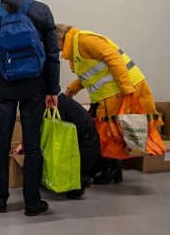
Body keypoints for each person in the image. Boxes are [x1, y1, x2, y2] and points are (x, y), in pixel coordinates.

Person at [0, 0, 60, 216]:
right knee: (32, 145)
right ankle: (32, 203)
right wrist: (52, 89)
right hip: (35, 87)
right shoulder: (41, 10)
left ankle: (0, 199)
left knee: (2, 144)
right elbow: (52, 54)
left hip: (3, 87)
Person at [56, 23, 160, 182]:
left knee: (112, 131)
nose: (56, 50)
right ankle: (107, 167)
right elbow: (94, 72)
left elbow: (113, 58)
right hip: (108, 92)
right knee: (105, 130)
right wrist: (74, 87)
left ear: (59, 39)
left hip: (120, 89)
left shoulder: (84, 40)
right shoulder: (75, 47)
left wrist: (126, 87)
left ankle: (112, 169)